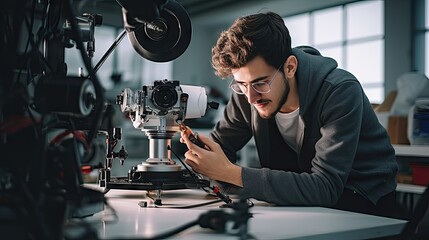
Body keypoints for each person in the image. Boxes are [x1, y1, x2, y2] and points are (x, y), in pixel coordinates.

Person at [180, 11, 399, 218]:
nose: (251, 98)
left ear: (290, 67)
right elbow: (221, 149)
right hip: (303, 199)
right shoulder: (247, 92)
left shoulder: (340, 91)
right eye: (241, 85)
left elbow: (326, 188)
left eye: (261, 83)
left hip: (363, 199)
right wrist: (197, 154)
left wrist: (230, 173)